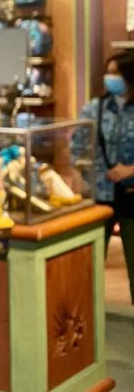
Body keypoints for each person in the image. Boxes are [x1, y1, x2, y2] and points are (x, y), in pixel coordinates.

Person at [75, 52, 134, 303]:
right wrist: (92, 175)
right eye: (108, 72)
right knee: (91, 259)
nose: (110, 78)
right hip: (101, 195)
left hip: (131, 195)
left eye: (116, 73)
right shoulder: (94, 108)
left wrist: (130, 170)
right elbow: (79, 146)